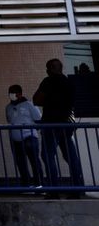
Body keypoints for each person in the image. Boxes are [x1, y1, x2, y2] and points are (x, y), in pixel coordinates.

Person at [33, 58, 84, 196]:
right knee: (70, 156)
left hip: (51, 123)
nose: (46, 70)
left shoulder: (48, 81)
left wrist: (49, 100)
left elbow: (36, 99)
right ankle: (77, 188)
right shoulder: (69, 82)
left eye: (48, 68)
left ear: (50, 69)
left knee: (48, 155)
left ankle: (53, 190)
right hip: (66, 123)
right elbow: (74, 101)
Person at [4, 84, 42, 187]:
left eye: (13, 93)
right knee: (21, 163)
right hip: (15, 139)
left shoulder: (29, 105)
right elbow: (9, 120)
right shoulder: (8, 107)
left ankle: (39, 184)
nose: (11, 95)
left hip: (29, 137)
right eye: (10, 93)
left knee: (34, 161)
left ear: (20, 94)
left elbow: (38, 120)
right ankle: (26, 185)